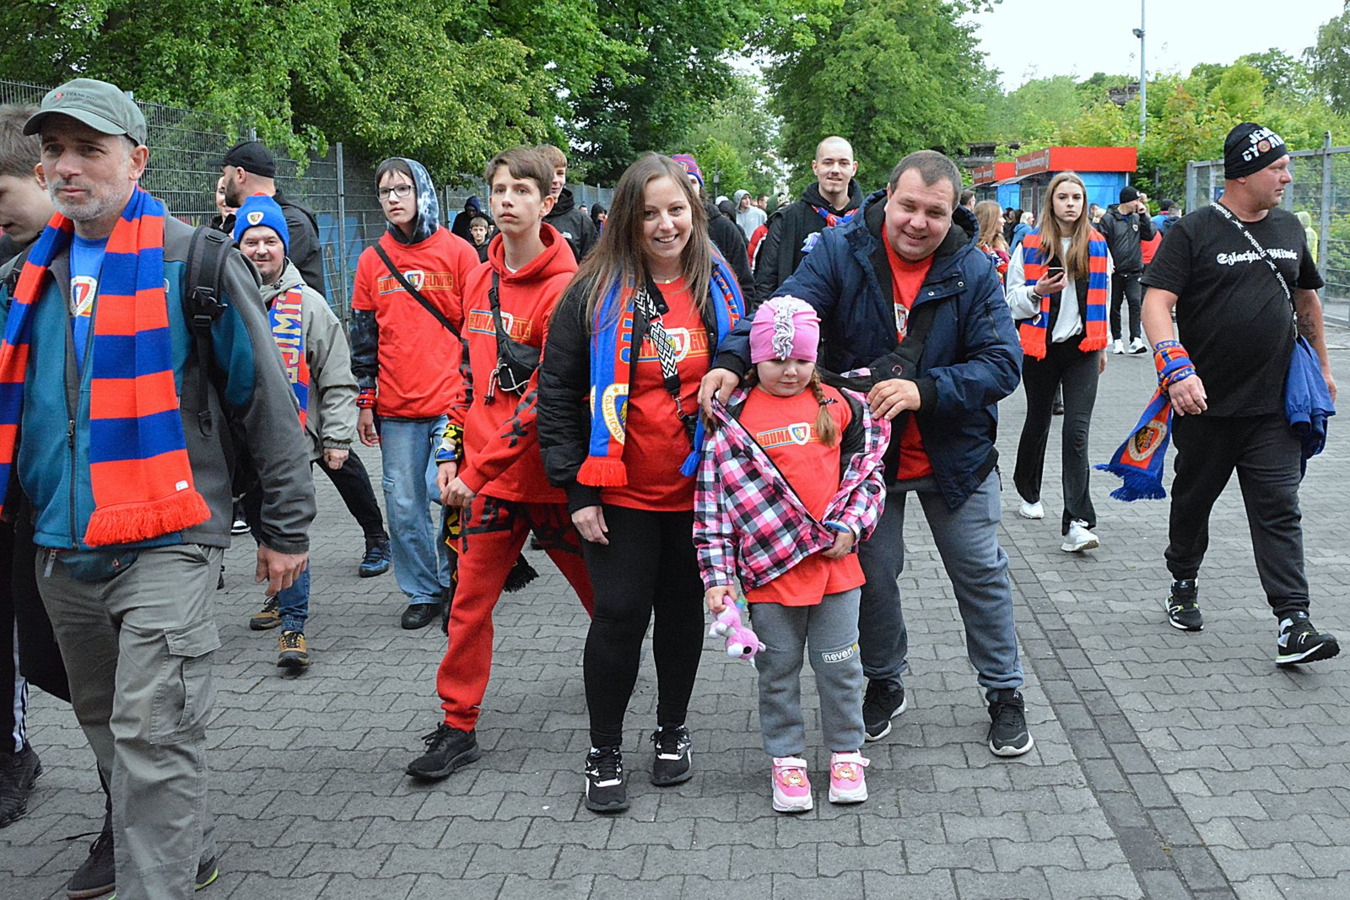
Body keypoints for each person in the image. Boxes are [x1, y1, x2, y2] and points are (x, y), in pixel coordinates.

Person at [0, 78, 313, 898]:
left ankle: (158, 882)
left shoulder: (194, 262)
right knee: (108, 724)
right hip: (61, 544)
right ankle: (187, 843)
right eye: (54, 151)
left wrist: (285, 529)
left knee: (154, 732)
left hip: (169, 538)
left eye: (89, 150)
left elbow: (266, 404)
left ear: (136, 160)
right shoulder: (25, 278)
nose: (68, 167)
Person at [700, 150, 1033, 758]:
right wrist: (731, 359)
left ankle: (1004, 690)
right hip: (865, 458)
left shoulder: (974, 267)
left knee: (980, 572)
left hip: (954, 453)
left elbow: (1003, 363)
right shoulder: (842, 249)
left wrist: (926, 391)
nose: (918, 222)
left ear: (952, 213)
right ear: (887, 195)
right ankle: (884, 679)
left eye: (934, 212)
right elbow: (784, 311)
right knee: (873, 576)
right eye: (908, 206)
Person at [538, 153, 745, 813]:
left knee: (683, 615)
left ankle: (672, 730)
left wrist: (734, 360)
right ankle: (603, 750)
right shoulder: (590, 291)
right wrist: (577, 492)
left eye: (676, 210)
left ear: (694, 213)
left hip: (699, 493)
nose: (665, 225)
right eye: (650, 213)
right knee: (620, 616)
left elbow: (749, 345)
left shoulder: (720, 283)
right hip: (617, 491)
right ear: (628, 218)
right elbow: (556, 395)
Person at [406, 146, 595, 783]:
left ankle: (616, 681)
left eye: (521, 190)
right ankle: (457, 725)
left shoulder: (568, 289)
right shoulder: (478, 277)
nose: (507, 200)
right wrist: (449, 448)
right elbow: (467, 373)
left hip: (552, 482)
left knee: (605, 602)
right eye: (499, 190)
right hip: (486, 484)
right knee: (467, 604)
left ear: (548, 201)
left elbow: (544, 399)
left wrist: (474, 472)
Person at [1137, 122, 1339, 663]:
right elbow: (1156, 302)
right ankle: (1183, 580)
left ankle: (1293, 622)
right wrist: (1174, 367)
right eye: (1278, 168)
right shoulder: (1194, 231)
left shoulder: (1289, 228)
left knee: (1279, 509)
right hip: (1204, 404)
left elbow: (1306, 301)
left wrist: (1323, 368)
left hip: (1274, 406)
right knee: (1193, 502)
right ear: (1244, 173)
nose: (1287, 177)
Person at [695, 297, 888, 813]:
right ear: (755, 357)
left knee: (840, 669)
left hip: (836, 570)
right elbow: (714, 506)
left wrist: (853, 524)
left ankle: (846, 752)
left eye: (802, 359)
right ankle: (786, 758)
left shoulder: (839, 405)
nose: (790, 370)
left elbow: (867, 476)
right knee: (777, 672)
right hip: (768, 576)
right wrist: (717, 577)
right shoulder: (734, 418)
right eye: (777, 359)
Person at [351, 157, 479, 629]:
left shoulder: (460, 253)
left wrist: (475, 395)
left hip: (452, 404)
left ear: (421, 191)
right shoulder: (371, 260)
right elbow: (363, 338)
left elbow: (479, 332)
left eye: (402, 189)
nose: (393, 199)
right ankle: (425, 592)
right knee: (403, 509)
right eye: (385, 192)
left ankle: (458, 580)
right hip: (396, 409)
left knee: (442, 492)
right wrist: (366, 400)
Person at [234, 193, 358, 669]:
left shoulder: (308, 305)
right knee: (260, 525)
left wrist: (338, 438)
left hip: (293, 445)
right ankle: (278, 591)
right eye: (251, 241)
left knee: (287, 528)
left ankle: (293, 626)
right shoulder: (223, 298)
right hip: (240, 446)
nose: (260, 250)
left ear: (284, 247)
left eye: (269, 240)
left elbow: (337, 376)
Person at [1005, 172, 1110, 553]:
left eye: (1076, 198)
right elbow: (1010, 301)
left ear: (1084, 203)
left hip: (1083, 349)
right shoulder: (1030, 245)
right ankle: (1028, 490)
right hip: (1040, 348)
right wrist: (1037, 290)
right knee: (1038, 421)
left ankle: (1077, 522)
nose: (1070, 204)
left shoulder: (1097, 245)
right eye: (1063, 197)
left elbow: (1105, 297)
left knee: (1076, 432)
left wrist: (1102, 345)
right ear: (1051, 202)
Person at [754, 136, 864, 304]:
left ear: (853, 168)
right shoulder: (786, 220)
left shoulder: (868, 219)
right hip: (798, 316)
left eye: (843, 163)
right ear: (815, 167)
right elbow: (765, 285)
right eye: (828, 162)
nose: (835, 170)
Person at [218, 139, 327, 298]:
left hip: (291, 312)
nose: (223, 183)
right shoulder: (238, 219)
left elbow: (248, 277)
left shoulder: (292, 222)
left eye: (225, 174)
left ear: (240, 175)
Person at [672, 153, 754, 302]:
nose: (687, 189)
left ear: (700, 187)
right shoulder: (662, 230)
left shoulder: (725, 229)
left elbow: (745, 288)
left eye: (692, 182)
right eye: (679, 182)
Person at [1098, 186, 1155, 354]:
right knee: (1114, 305)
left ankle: (1136, 339)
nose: (1137, 203)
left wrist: (1144, 215)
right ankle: (1117, 339)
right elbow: (1102, 241)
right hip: (1115, 270)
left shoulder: (1136, 218)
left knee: (1135, 302)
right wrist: (1108, 262)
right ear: (1126, 201)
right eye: (1135, 200)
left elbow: (1150, 235)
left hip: (1134, 270)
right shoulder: (1109, 219)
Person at [538, 144, 598, 263]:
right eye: (548, 174)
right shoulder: (519, 216)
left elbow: (593, 266)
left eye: (560, 173)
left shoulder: (581, 222)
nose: (555, 180)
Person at [974, 199, 1010, 280]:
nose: (1004, 221)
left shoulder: (1000, 246)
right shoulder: (976, 250)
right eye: (1001, 217)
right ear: (991, 220)